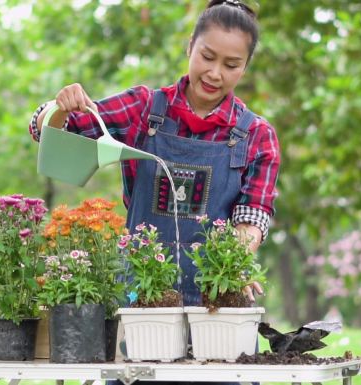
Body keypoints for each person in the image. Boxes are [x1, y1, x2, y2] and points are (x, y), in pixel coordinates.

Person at [30, 0, 278, 319]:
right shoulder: (144, 109)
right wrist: (60, 107)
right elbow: (51, 133)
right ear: (190, 46)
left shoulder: (256, 135)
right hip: (138, 297)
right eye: (207, 56)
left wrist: (232, 267)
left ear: (245, 66)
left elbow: (252, 218)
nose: (215, 73)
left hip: (216, 304)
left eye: (231, 65)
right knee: (135, 366)